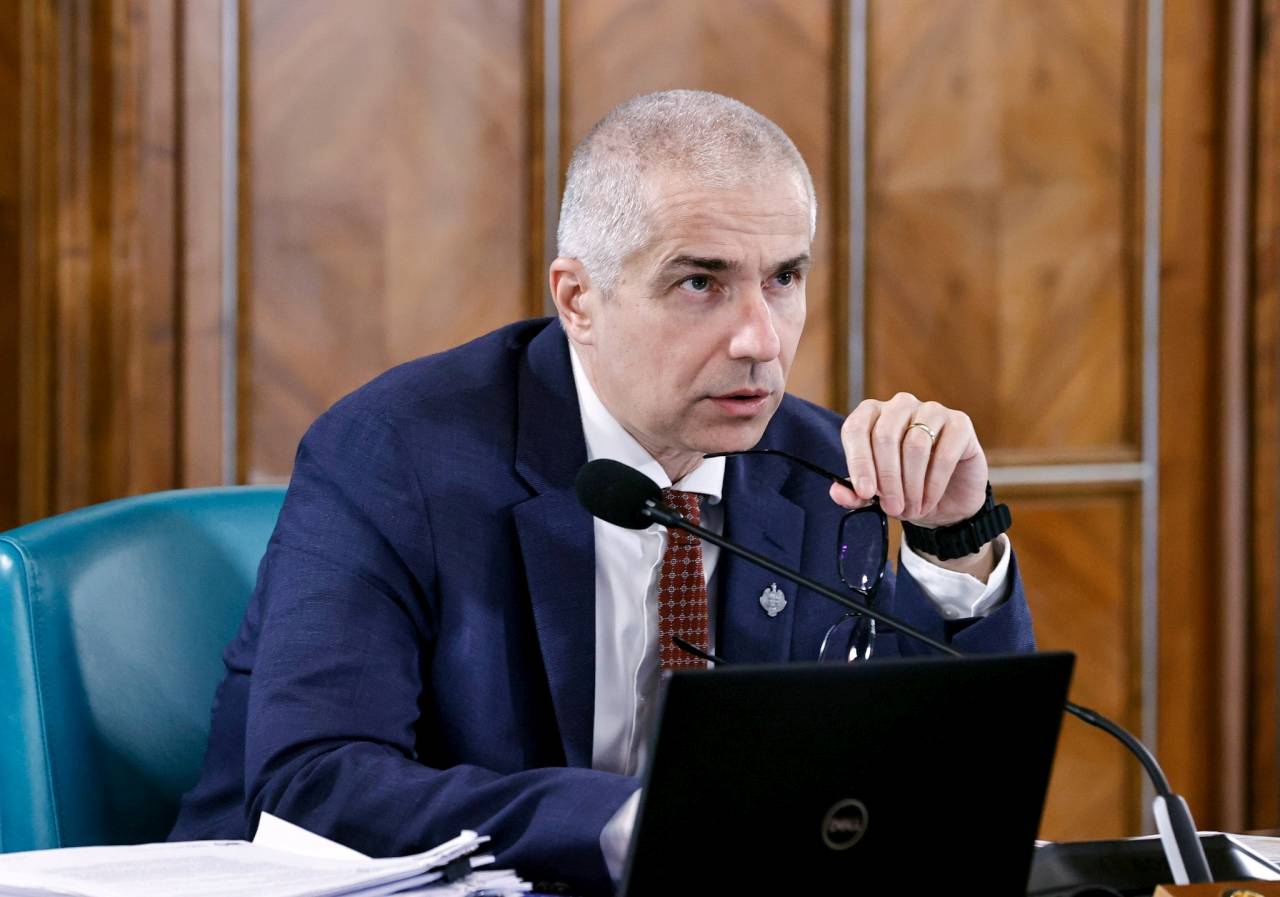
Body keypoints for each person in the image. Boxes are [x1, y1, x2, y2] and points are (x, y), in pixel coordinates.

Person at [170, 90, 1033, 895]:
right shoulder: (395, 455)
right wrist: (628, 823)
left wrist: (952, 538)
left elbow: (928, 789)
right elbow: (312, 785)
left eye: (783, 279)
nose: (760, 339)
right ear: (579, 299)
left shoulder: (819, 471)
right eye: (700, 282)